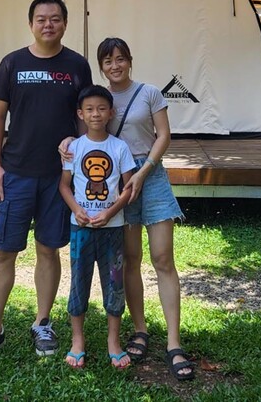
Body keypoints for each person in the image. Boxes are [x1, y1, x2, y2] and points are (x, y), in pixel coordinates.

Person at [0, 0, 92, 362]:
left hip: (57, 177)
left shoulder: (77, 65)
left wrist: (80, 150)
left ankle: (42, 322)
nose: (48, 24)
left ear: (65, 23)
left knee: (48, 249)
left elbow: (85, 116)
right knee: (4, 252)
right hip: (15, 172)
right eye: (41, 18)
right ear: (31, 23)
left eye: (54, 18)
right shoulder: (12, 63)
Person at [59, 37, 194, 381]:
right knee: (129, 260)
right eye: (107, 60)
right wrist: (65, 142)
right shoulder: (96, 99)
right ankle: (140, 330)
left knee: (163, 258)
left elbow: (163, 135)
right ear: (101, 65)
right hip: (113, 182)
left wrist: (145, 171)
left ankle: (174, 344)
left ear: (129, 61)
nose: (114, 65)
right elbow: (83, 139)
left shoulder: (149, 92)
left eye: (120, 59)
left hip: (149, 175)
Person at [60, 84, 136, 370]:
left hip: (112, 229)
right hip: (80, 230)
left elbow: (128, 187)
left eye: (101, 108)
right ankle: (77, 340)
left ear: (111, 112)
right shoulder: (73, 148)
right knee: (79, 282)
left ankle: (113, 342)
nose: (95, 114)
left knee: (114, 284)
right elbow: (64, 186)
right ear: (80, 114)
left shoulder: (119, 147)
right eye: (89, 109)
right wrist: (77, 210)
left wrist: (111, 211)